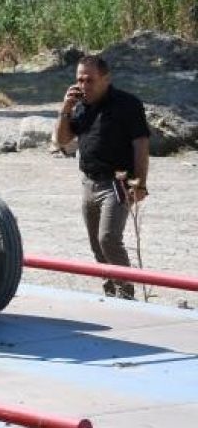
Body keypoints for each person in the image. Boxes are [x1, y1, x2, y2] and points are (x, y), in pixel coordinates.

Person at [52, 54, 150, 300]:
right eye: (80, 80)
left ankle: (126, 294)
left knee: (108, 239)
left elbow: (141, 146)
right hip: (89, 182)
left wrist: (140, 184)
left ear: (106, 78)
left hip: (117, 183)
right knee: (96, 244)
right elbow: (62, 141)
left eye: (90, 80)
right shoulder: (80, 106)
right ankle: (110, 292)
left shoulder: (128, 105)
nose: (84, 85)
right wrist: (65, 109)